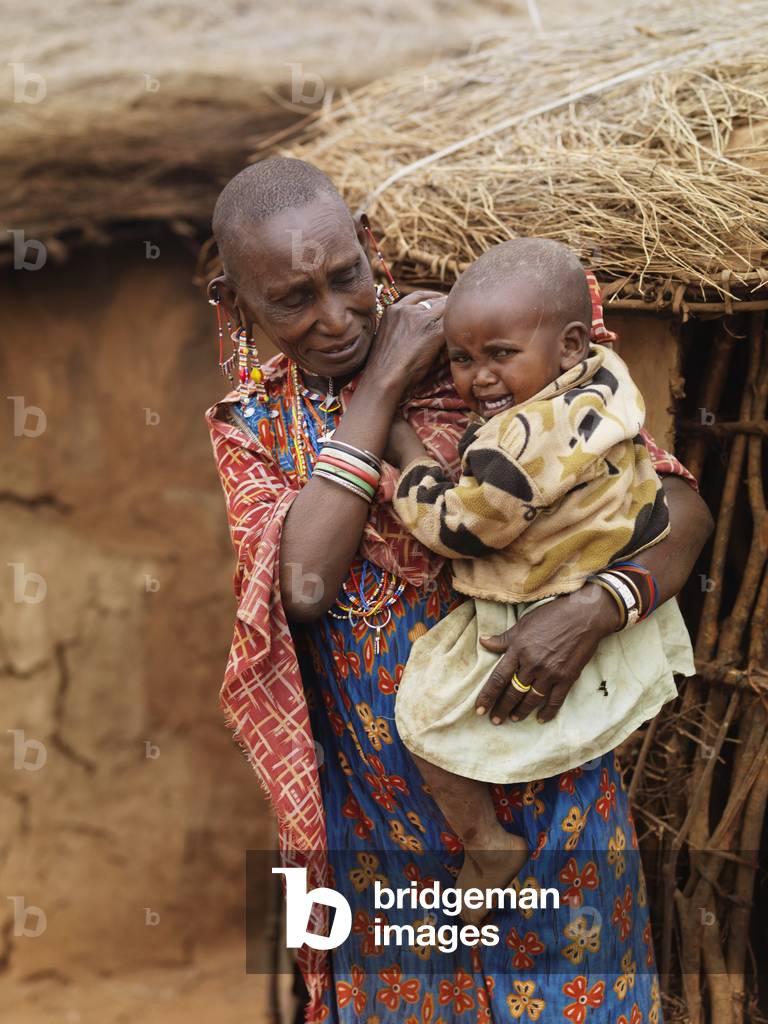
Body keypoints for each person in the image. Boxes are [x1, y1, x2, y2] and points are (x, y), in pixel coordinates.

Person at [206, 157, 712, 1023]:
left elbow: (677, 507)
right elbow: (304, 587)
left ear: (370, 245)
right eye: (293, 300)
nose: (336, 316)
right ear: (234, 302)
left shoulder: (483, 356)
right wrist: (381, 388)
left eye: (346, 277)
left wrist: (596, 609)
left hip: (547, 796)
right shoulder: (252, 426)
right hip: (379, 826)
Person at [387, 238, 695, 919]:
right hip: (610, 578)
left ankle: (486, 843)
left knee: (422, 721)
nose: (479, 379)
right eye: (461, 359)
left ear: (570, 343)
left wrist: (408, 456)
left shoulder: (520, 445)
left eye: (501, 354)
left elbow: (459, 527)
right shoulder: (603, 380)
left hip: (543, 611)